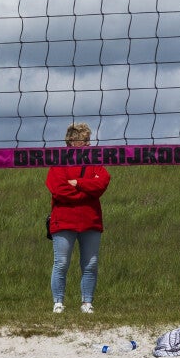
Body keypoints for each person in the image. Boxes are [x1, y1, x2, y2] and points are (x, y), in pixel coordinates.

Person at [46, 121, 109, 315]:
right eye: (85, 140)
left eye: (89, 140)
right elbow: (58, 190)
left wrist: (78, 183)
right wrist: (88, 190)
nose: (89, 144)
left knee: (90, 264)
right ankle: (58, 302)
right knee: (61, 263)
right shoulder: (59, 161)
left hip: (90, 221)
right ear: (72, 141)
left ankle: (87, 303)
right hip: (64, 221)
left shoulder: (94, 161)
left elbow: (103, 182)